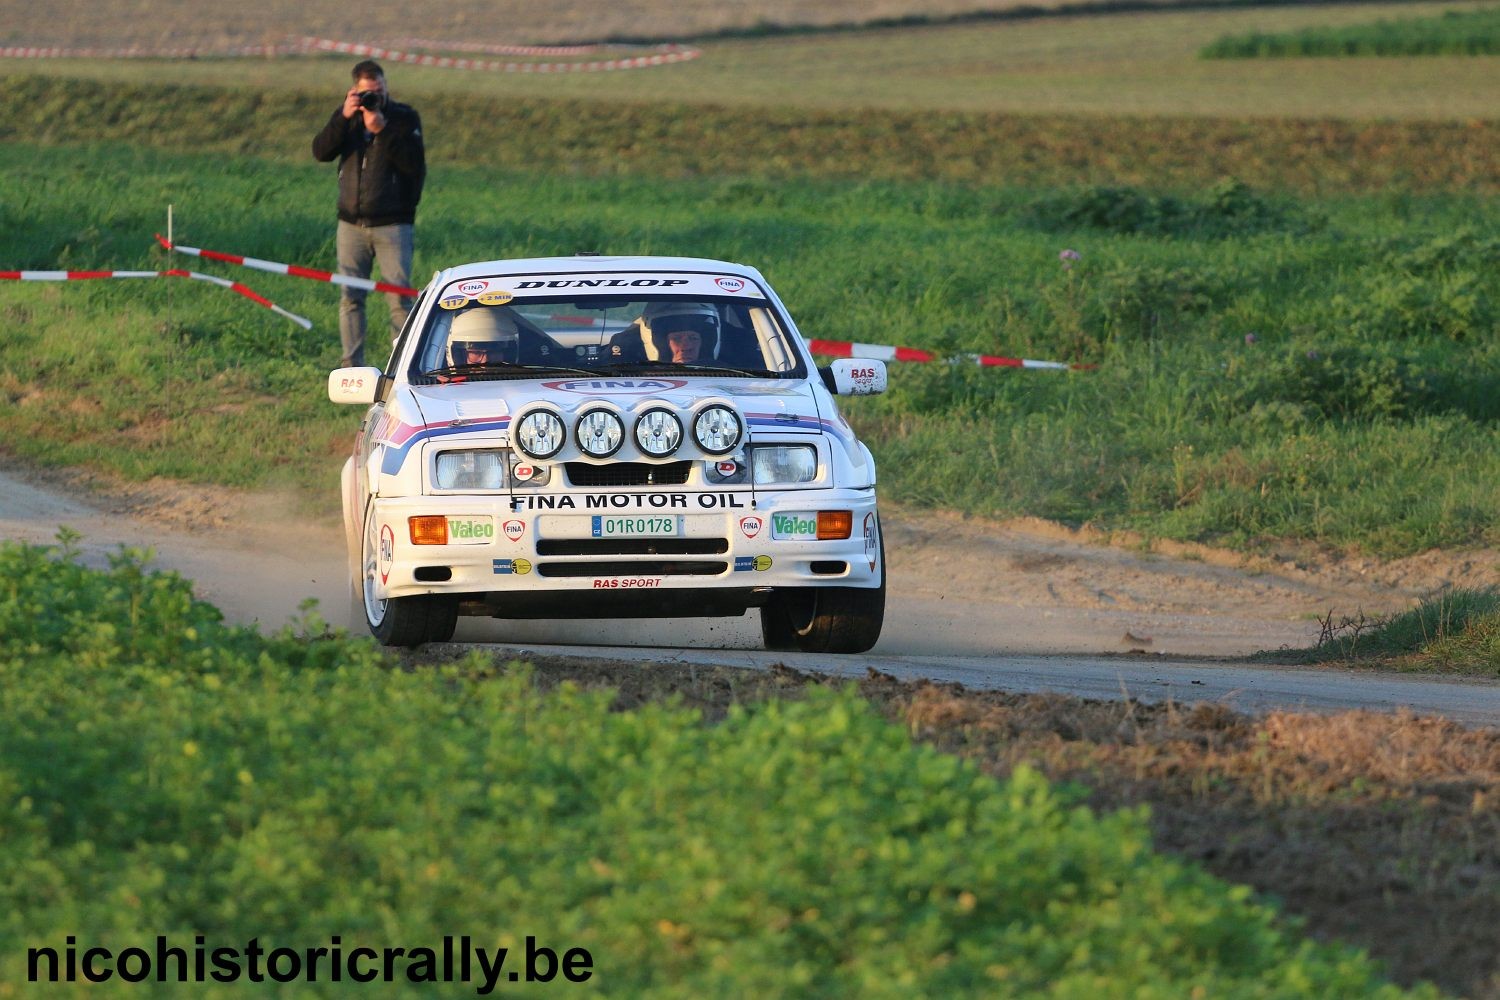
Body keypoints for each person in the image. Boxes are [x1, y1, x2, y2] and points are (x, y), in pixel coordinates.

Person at [312, 59, 426, 368]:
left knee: (399, 299)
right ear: (355, 91)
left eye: (379, 90)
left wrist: (382, 131)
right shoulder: (347, 118)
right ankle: (352, 365)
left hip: (393, 224)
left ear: (386, 86)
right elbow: (321, 151)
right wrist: (343, 116)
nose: (375, 97)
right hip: (350, 225)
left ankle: (400, 368)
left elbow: (414, 166)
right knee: (350, 296)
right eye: (367, 92)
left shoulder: (404, 118)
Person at [611, 302, 721, 364]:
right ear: (659, 342)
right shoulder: (624, 370)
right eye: (677, 339)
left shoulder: (727, 371)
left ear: (706, 343)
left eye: (693, 338)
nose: (686, 347)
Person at [435, 309, 520, 381]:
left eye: (493, 351)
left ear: (506, 353)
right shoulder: (442, 388)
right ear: (459, 355)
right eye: (476, 353)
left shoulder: (521, 383)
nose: (485, 361)